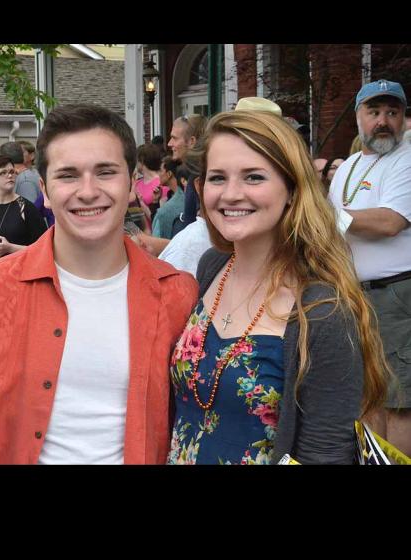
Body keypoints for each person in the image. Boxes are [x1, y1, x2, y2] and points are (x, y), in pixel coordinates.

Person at [0, 104, 198, 464]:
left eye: (105, 172)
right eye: (68, 175)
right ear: (44, 189)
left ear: (131, 183)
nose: (87, 191)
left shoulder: (177, 294)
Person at [168, 109, 388, 465]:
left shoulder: (322, 311)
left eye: (254, 177)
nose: (231, 194)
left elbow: (326, 453)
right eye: (218, 178)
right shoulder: (212, 266)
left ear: (291, 190)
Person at [328, 79, 411, 457]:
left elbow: (390, 221)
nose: (383, 121)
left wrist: (327, 216)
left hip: (396, 296)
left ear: (403, 118)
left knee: (400, 402)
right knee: (368, 396)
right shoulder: (349, 166)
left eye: (393, 112)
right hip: (355, 296)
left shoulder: (406, 158)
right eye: (374, 111)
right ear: (358, 117)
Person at [0, 155, 46, 270]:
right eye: (3, 173)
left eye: (12, 172)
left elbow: (43, 249)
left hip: (20, 275)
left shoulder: (26, 208)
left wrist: (10, 248)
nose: (10, 176)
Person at [168, 115, 207, 230]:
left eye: (174, 138)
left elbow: (196, 235)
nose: (169, 143)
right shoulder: (196, 172)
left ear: (191, 141)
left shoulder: (199, 177)